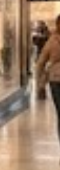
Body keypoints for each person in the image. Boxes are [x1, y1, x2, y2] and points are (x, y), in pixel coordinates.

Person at [35, 16, 60, 148]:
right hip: (55, 80)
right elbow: (41, 62)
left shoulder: (51, 40)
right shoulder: (51, 41)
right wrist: (40, 82)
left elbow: (40, 63)